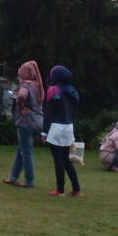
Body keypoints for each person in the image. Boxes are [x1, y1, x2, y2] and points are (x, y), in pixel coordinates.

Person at [42, 65, 82, 197]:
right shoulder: (73, 91)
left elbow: (48, 112)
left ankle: (60, 190)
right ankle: (76, 188)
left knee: (58, 160)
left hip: (56, 128)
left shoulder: (54, 90)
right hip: (69, 128)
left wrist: (44, 132)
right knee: (67, 160)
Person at [4, 61, 43, 188]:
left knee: (26, 152)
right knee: (22, 151)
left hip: (26, 121)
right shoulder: (38, 86)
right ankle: (13, 177)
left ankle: (29, 180)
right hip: (38, 120)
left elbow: (22, 96)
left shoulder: (25, 85)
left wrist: (21, 104)